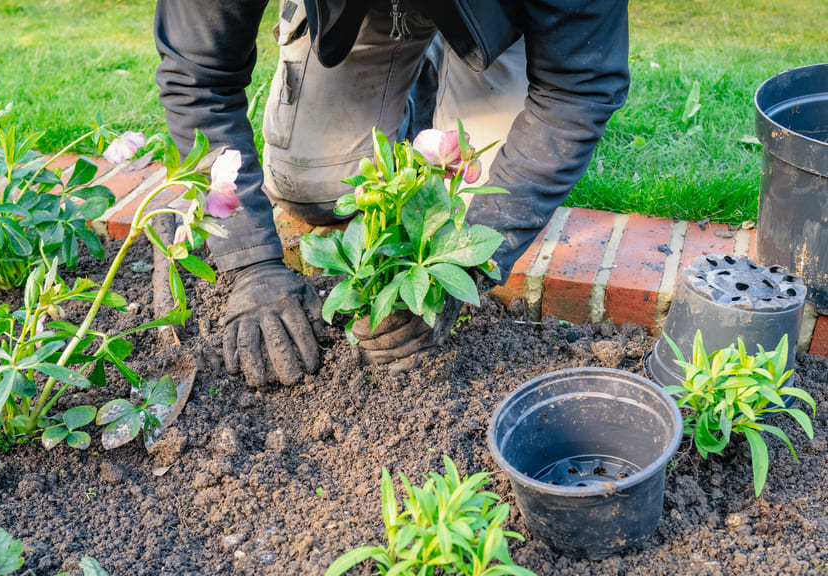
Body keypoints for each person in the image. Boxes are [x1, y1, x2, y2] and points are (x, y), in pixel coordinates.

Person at [153, 0, 630, 387]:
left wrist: (462, 271)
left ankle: (459, 56)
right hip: (360, 11)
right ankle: (407, 76)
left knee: (471, 215)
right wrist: (251, 262)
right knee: (311, 191)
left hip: (506, 20)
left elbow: (576, 90)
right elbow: (198, 76)